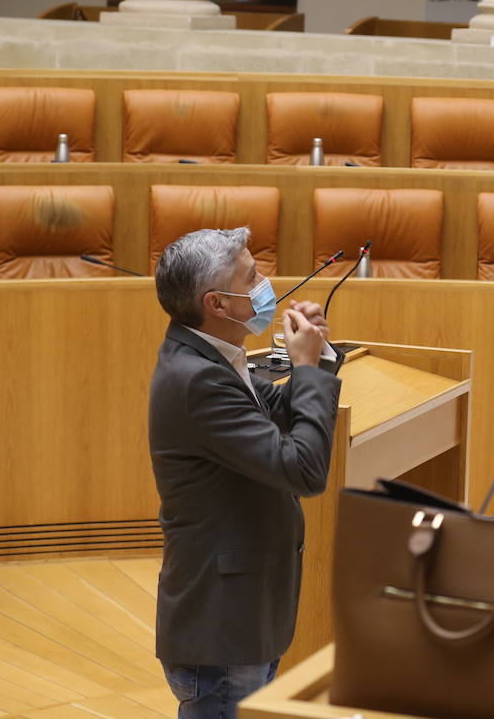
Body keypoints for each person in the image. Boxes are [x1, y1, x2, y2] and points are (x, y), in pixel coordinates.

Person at [148, 227, 345, 716]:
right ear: (217, 303)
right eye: (252, 275)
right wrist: (307, 369)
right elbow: (303, 468)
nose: (266, 283)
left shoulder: (210, 355)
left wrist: (316, 356)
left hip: (245, 610)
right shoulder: (195, 379)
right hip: (222, 625)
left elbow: (272, 407)